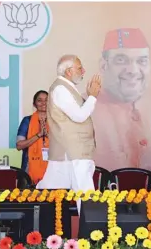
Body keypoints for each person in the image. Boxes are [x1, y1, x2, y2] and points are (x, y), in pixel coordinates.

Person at [37, 55, 101, 210]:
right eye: (79, 67)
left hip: (68, 151)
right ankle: (92, 234)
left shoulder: (66, 88)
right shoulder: (60, 88)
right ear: (68, 71)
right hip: (74, 152)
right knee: (85, 197)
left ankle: (44, 230)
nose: (83, 70)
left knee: (51, 192)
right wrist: (92, 96)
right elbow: (79, 116)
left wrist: (88, 98)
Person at [92, 28, 151, 172]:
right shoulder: (86, 109)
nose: (133, 70)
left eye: (142, 61)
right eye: (121, 60)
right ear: (103, 66)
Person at [16, 90, 49, 184]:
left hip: (52, 170)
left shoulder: (56, 122)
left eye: (46, 100)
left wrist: (48, 135)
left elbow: (62, 146)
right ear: (34, 104)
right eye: (40, 100)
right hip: (28, 171)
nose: (43, 103)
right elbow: (19, 145)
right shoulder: (27, 121)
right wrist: (38, 135)